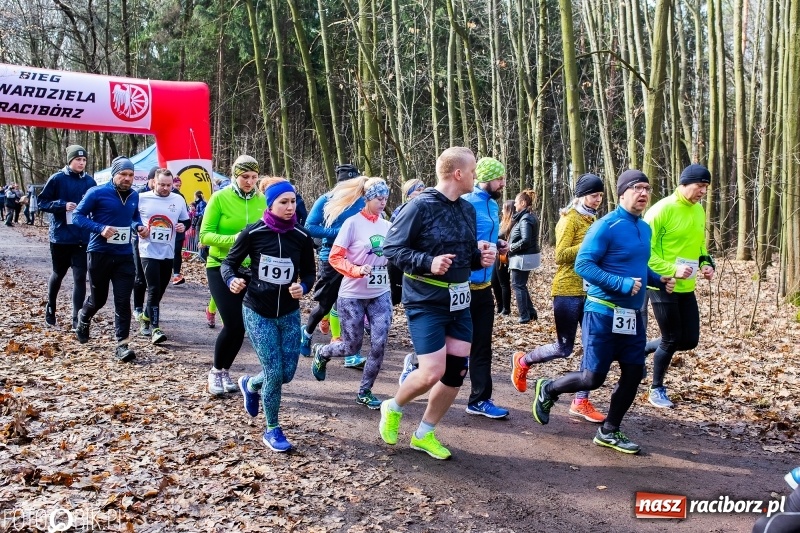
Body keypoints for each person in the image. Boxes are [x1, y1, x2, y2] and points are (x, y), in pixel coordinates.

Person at [530, 169, 676, 454]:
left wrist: (658, 280)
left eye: (647, 188)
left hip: (631, 317)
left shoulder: (644, 228)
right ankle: (549, 388)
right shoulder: (605, 226)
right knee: (592, 379)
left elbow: (636, 266)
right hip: (602, 312)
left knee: (634, 374)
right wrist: (619, 283)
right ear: (622, 193)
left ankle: (610, 430)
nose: (644, 193)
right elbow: (584, 265)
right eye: (637, 188)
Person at [380, 146, 496, 460]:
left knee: (456, 372)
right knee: (432, 371)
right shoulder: (419, 206)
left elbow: (465, 256)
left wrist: (479, 256)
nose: (475, 176)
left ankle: (424, 433)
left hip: (460, 300)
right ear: (458, 173)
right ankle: (393, 406)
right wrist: (426, 261)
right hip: (426, 300)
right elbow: (392, 249)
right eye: (473, 170)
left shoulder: (467, 209)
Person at [223, 178, 316, 452]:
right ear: (271, 204)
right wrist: (231, 280)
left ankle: (251, 384)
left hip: (288, 312)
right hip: (257, 310)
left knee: (286, 374)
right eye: (283, 202)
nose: (290, 207)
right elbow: (229, 264)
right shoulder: (253, 233)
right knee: (274, 372)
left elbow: (310, 273)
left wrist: (304, 286)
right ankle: (272, 429)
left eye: (292, 201)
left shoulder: (301, 236)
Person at [511, 173, 606, 423]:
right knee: (564, 348)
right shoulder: (569, 219)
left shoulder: (596, 221)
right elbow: (561, 255)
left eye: (600, 196)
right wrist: (590, 244)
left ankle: (580, 401)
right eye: (593, 195)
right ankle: (524, 360)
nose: (597, 200)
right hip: (567, 290)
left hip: (592, 292)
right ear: (581, 195)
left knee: (592, 347)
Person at [309, 177, 393, 409]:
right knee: (351, 347)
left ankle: (365, 391)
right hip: (352, 294)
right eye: (378, 198)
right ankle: (323, 352)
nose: (383, 202)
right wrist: (355, 270)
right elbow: (335, 257)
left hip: (380, 292)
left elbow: (397, 251)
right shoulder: (352, 223)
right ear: (366, 198)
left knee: (379, 343)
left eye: (385, 198)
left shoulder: (387, 226)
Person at [643, 164, 715, 408]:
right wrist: (671, 270)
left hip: (687, 285)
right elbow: (644, 250)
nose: (703, 192)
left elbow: (699, 246)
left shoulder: (698, 211)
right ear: (684, 184)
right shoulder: (661, 209)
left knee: (690, 340)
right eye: (700, 186)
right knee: (672, 338)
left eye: (706, 187)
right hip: (663, 284)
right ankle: (656, 389)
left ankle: (646, 348)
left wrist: (706, 263)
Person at [200, 155, 266, 395]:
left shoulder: (263, 200)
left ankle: (225, 371)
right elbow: (205, 236)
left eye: (253, 177)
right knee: (233, 323)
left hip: (250, 270)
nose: (249, 182)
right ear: (234, 176)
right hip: (220, 265)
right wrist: (235, 239)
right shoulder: (220, 198)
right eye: (244, 177)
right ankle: (215, 372)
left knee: (242, 327)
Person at [72, 156, 145, 362]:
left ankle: (122, 345)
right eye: (123, 174)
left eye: (130, 175)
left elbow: (134, 216)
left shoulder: (134, 196)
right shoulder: (97, 192)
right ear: (114, 174)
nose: (127, 178)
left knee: (123, 301)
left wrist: (138, 226)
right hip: (99, 253)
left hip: (124, 256)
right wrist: (100, 228)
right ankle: (84, 317)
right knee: (99, 299)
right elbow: (77, 216)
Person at [301, 164, 366, 369]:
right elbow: (310, 227)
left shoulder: (363, 201)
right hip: (331, 258)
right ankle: (307, 332)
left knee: (350, 306)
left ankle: (349, 352)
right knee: (324, 306)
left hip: (357, 260)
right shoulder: (327, 200)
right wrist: (340, 233)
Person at [461, 157, 510, 419]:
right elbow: (460, 240)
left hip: (484, 286)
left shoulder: (492, 204)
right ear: (485, 178)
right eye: (499, 179)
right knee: (452, 343)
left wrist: (499, 243)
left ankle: (479, 399)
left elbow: (487, 237)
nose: (502, 183)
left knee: (482, 346)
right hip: (460, 285)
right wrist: (478, 246)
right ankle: (416, 365)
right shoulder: (467, 202)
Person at [37, 145, 97, 329]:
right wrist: (61, 205)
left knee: (80, 277)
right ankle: (51, 307)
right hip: (61, 237)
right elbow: (42, 202)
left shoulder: (90, 182)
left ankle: (76, 319)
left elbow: (97, 204)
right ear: (70, 160)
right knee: (59, 274)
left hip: (81, 237)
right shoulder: (57, 179)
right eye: (78, 159)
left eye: (84, 160)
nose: (81, 163)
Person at [135, 168, 191, 344]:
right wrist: (137, 227)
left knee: (161, 290)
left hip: (167, 251)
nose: (165, 188)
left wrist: (183, 226)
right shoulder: (142, 198)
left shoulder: (178, 199)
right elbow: (130, 218)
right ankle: (155, 328)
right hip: (147, 250)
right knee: (153, 288)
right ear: (154, 182)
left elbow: (186, 220)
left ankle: (145, 316)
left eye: (169, 185)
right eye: (161, 184)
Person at [507, 189, 540, 323]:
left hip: (522, 258)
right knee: (521, 285)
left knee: (517, 285)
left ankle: (524, 316)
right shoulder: (527, 216)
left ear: (522, 202)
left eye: (516, 202)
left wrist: (511, 248)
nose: (514, 205)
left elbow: (526, 241)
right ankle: (531, 312)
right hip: (524, 256)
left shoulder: (525, 218)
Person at [491, 200, 515, 315]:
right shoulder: (502, 222)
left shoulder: (512, 223)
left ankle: (506, 309)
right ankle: (500, 307)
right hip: (497, 255)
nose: (501, 210)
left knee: (503, 283)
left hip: (504, 256)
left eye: (503, 208)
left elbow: (503, 237)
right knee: (494, 281)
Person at [170, 175, 188, 285]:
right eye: (176, 185)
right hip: (165, 229)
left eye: (180, 186)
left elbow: (186, 217)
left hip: (178, 230)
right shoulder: (164, 195)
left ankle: (176, 275)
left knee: (177, 252)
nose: (178, 187)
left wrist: (184, 225)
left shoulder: (181, 196)